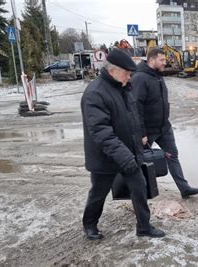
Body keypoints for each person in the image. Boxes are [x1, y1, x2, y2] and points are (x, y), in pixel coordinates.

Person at [81, 49, 165, 240]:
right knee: (99, 193)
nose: (130, 77)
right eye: (127, 73)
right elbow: (102, 133)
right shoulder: (95, 93)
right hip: (105, 157)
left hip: (129, 153)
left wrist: (140, 137)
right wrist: (126, 156)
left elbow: (132, 117)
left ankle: (144, 227)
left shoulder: (123, 88)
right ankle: (90, 225)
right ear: (113, 71)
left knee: (140, 187)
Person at [131, 48, 198, 199]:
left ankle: (184, 189)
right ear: (151, 60)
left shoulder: (158, 75)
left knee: (173, 156)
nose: (165, 62)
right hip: (148, 130)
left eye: (165, 60)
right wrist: (142, 133)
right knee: (138, 161)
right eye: (162, 60)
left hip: (164, 127)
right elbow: (136, 108)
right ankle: (137, 193)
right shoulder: (140, 78)